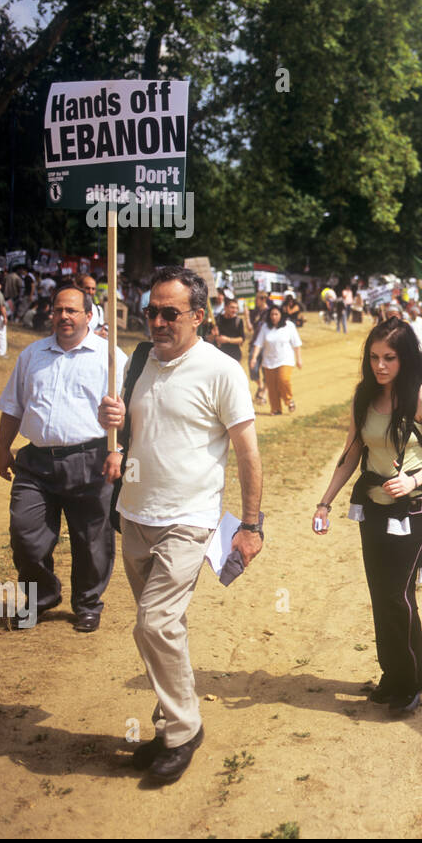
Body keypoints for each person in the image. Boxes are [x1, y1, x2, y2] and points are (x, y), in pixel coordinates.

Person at [97, 266, 263, 784]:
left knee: (154, 624)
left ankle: (185, 730)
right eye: (152, 311)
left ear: (198, 316)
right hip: (135, 513)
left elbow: (248, 453)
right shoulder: (141, 360)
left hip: (189, 519)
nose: (159, 321)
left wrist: (252, 524)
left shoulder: (221, 370)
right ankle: (170, 722)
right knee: (162, 632)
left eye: (171, 313)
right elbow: (135, 428)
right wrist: (115, 433)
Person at [312, 318, 422, 716]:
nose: (380, 366)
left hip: (414, 509)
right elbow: (352, 452)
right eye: (374, 357)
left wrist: (414, 479)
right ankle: (394, 675)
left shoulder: (421, 397)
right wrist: (324, 502)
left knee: (398, 594)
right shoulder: (364, 396)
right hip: (372, 509)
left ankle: (411, 681)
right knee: (381, 596)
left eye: (389, 357)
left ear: (405, 358)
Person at [0, 282, 127, 631]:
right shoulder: (32, 355)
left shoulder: (111, 358)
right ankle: (42, 596)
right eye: (58, 310)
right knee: (25, 533)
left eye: (71, 310)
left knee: (92, 540)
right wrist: (1, 448)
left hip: (92, 461)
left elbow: (131, 415)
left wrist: (119, 450)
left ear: (88, 315)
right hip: (35, 463)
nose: (63, 316)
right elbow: (12, 406)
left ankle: (87, 604)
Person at [250, 303, 303, 415]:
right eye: (272, 314)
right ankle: (276, 408)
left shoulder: (289, 326)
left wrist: (299, 359)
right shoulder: (265, 327)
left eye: (276, 314)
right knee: (272, 386)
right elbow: (258, 344)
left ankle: (289, 400)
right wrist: (254, 358)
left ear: (281, 315)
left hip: (285, 359)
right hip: (269, 361)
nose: (274, 317)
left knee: (283, 380)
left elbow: (296, 344)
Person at [212, 297, 247, 364]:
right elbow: (208, 338)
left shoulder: (238, 321)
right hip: (219, 356)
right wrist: (213, 335)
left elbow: (242, 339)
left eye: (236, 308)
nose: (234, 310)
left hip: (234, 356)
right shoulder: (217, 320)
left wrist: (227, 340)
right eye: (232, 307)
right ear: (225, 307)